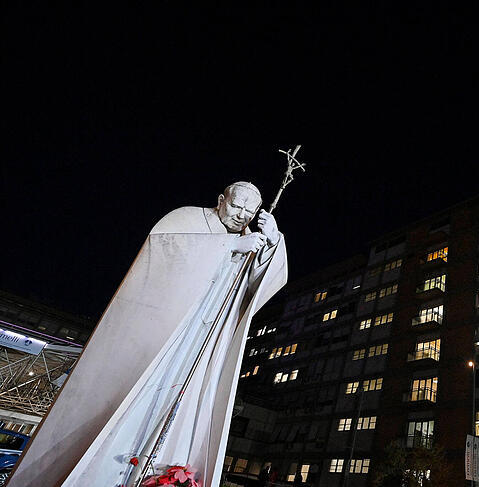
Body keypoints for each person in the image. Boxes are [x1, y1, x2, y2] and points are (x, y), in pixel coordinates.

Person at [10, 182, 288, 487]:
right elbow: (161, 250)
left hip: (206, 341)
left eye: (249, 211)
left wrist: (271, 243)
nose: (241, 216)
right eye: (236, 206)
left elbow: (256, 290)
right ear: (221, 200)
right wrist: (227, 247)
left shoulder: (252, 239)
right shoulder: (187, 219)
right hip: (167, 332)